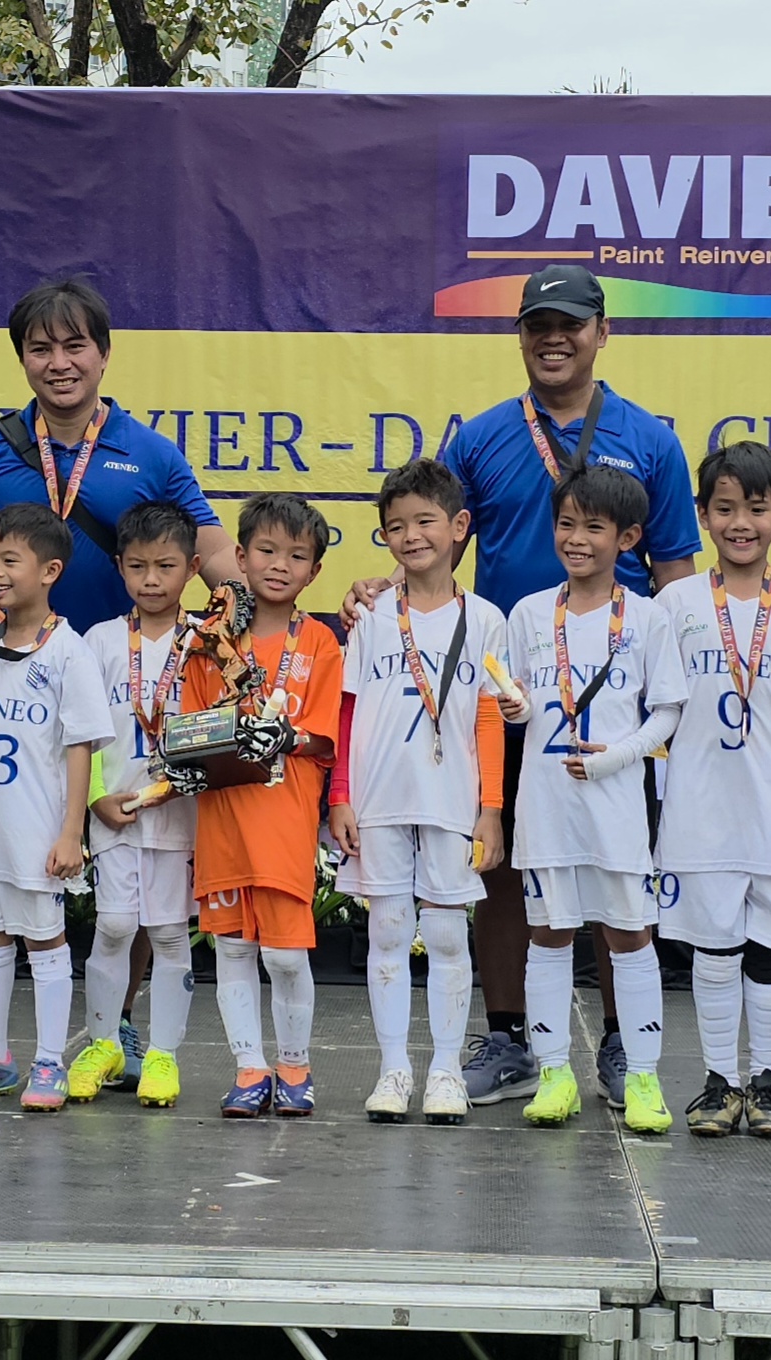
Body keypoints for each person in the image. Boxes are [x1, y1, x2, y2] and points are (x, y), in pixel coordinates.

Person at [343, 265, 700, 1112]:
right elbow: (433, 543)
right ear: (520, 336)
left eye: (570, 323)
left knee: (615, 867)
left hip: (611, 699)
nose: (554, 338)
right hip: (501, 683)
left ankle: (620, 1046)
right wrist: (378, 589)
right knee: (497, 858)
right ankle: (509, 1038)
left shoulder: (650, 441)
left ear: (602, 332)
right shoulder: (481, 438)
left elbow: (677, 576)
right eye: (538, 324)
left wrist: (672, 688)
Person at [0, 280, 240, 1091]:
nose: (59, 362)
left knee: (128, 867)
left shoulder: (150, 453)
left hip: (110, 681)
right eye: (41, 348)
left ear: (103, 354)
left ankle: (118, 1024)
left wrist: (272, 603)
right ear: (22, 359)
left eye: (75, 346)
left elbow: (215, 552)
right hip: (4, 679)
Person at [499, 465, 687, 1135]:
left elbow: (667, 712)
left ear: (628, 538)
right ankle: (555, 1075)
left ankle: (642, 1077)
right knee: (548, 934)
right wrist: (517, 707)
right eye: (566, 524)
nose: (576, 539)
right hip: (546, 805)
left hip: (616, 808)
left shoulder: (648, 617)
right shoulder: (528, 613)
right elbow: (520, 702)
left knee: (629, 935)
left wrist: (616, 757)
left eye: (594, 528)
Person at [654, 442, 771, 1138]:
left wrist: (768, 757)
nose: (740, 524)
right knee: (713, 946)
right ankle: (718, 1082)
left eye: (756, 509)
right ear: (702, 516)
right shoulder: (675, 603)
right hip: (700, 805)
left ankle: (768, 1083)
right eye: (724, 509)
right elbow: (664, 706)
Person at [330, 459, 509, 1126]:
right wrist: (340, 795)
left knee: (446, 933)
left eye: (425, 522)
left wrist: (490, 809)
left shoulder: (485, 618)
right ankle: (393, 1069)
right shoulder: (372, 613)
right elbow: (347, 708)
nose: (411, 536)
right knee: (386, 930)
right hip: (378, 799)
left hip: (451, 800)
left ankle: (446, 1072)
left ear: (459, 526)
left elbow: (490, 716)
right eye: (395, 527)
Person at [0, 504, 113, 1111]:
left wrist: (71, 832)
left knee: (44, 941)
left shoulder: (68, 652)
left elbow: (80, 748)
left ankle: (50, 1061)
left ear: (50, 570)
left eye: (11, 560)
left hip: (37, 828)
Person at [171, 493, 341, 1119]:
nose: (279, 565)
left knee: (286, 954)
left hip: (283, 819)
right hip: (222, 819)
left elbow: (325, 738)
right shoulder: (209, 641)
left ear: (314, 572)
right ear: (240, 557)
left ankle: (295, 1067)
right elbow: (187, 729)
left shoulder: (320, 642)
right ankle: (249, 1068)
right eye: (266, 551)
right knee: (233, 951)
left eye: (296, 556)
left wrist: (289, 737)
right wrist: (201, 744)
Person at [73, 502, 202, 1109]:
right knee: (116, 925)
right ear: (119, 566)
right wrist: (96, 797)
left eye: (166, 566)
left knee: (170, 933)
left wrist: (181, 784)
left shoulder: (207, 642)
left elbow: (217, 726)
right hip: (115, 812)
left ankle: (163, 1056)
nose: (151, 580)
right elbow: (81, 731)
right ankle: (103, 1045)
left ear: (193, 568)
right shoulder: (98, 641)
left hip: (178, 814)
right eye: (138, 566)